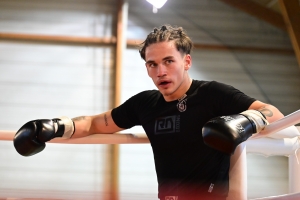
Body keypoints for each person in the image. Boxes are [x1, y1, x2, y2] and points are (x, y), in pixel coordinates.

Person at [14, 24, 284, 200]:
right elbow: (98, 123)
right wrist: (54, 127)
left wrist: (247, 120)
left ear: (186, 61)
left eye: (168, 61)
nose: (161, 72)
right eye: (152, 64)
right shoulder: (145, 104)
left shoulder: (213, 94)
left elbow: (273, 113)